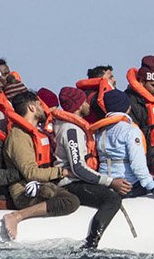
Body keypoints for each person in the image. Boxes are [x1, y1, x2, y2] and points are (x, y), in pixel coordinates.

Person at [36, 87, 132, 248]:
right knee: (112, 199)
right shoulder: (71, 130)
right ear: (79, 106)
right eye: (85, 101)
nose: (88, 104)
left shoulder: (65, 125)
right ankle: (92, 243)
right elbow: (78, 168)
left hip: (76, 180)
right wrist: (110, 182)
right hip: (70, 183)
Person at [0, 93, 82, 240]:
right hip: (26, 192)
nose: (44, 109)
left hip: (44, 185)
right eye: (40, 105)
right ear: (32, 107)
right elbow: (31, 172)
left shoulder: (36, 133)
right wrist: (64, 172)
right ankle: (17, 216)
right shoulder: (19, 137)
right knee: (70, 202)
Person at [92, 88, 154, 204]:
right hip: (127, 186)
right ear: (127, 107)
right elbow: (137, 165)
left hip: (107, 184)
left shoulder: (100, 132)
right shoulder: (131, 131)